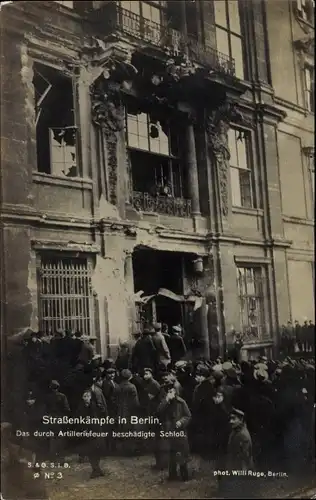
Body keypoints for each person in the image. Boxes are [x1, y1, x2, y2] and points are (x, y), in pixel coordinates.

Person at [157, 381, 192, 482]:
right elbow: (158, 412)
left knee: (182, 454)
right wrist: (166, 400)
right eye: (169, 391)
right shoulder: (164, 402)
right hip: (169, 431)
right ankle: (172, 475)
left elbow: (188, 416)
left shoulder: (181, 402)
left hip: (180, 432)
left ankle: (184, 475)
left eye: (172, 391)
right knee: (171, 454)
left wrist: (181, 422)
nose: (171, 393)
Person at [219, 408, 255, 498]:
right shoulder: (235, 430)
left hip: (240, 467)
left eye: (234, 419)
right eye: (230, 419)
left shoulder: (243, 435)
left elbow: (245, 456)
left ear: (241, 420)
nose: (231, 421)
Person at [75, 390, 105, 479]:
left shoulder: (95, 406)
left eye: (88, 396)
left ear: (91, 397)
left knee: (97, 449)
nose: (86, 398)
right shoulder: (80, 408)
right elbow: (78, 419)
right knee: (91, 451)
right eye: (85, 396)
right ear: (82, 397)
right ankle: (96, 469)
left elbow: (102, 415)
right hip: (87, 431)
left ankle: (97, 468)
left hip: (96, 430)